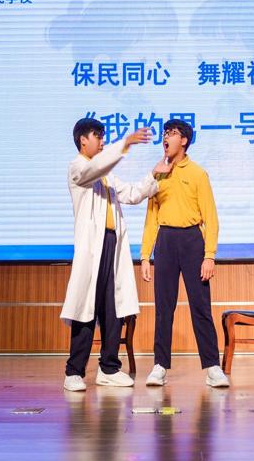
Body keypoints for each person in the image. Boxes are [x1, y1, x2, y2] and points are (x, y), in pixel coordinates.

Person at [62, 118, 172, 392]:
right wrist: (125, 143)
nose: (102, 141)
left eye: (103, 137)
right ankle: (74, 371)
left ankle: (109, 368)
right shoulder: (78, 168)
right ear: (82, 140)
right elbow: (95, 167)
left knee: (113, 309)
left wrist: (154, 175)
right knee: (86, 308)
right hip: (92, 248)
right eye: (97, 136)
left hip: (112, 245)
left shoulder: (107, 177)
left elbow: (133, 194)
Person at [140, 119, 230, 388]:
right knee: (163, 308)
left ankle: (212, 367)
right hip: (166, 241)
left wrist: (209, 255)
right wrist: (145, 256)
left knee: (200, 307)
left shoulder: (198, 173)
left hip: (192, 241)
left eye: (172, 133)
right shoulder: (158, 173)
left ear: (184, 140)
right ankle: (160, 366)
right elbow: (151, 218)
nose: (166, 137)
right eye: (165, 133)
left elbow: (211, 218)